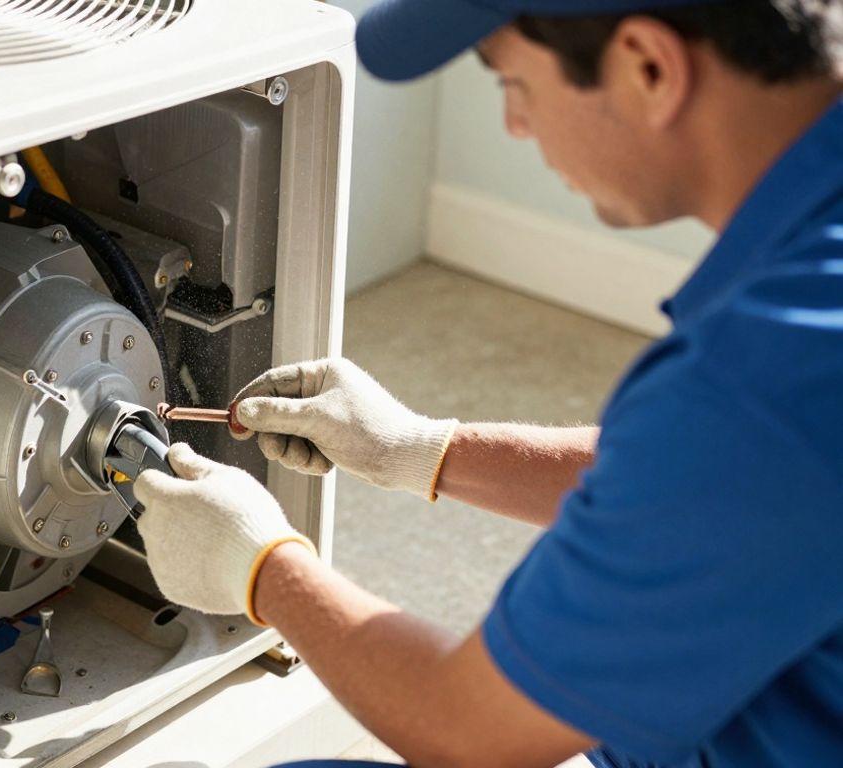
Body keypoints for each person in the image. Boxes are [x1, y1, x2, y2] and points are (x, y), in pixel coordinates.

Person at [131, 1, 843, 767]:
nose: (515, 126)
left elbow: (467, 730)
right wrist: (420, 449)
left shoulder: (763, 374)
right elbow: (720, 483)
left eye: (513, 84)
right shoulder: (793, 338)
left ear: (648, 66)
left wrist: (260, 566)